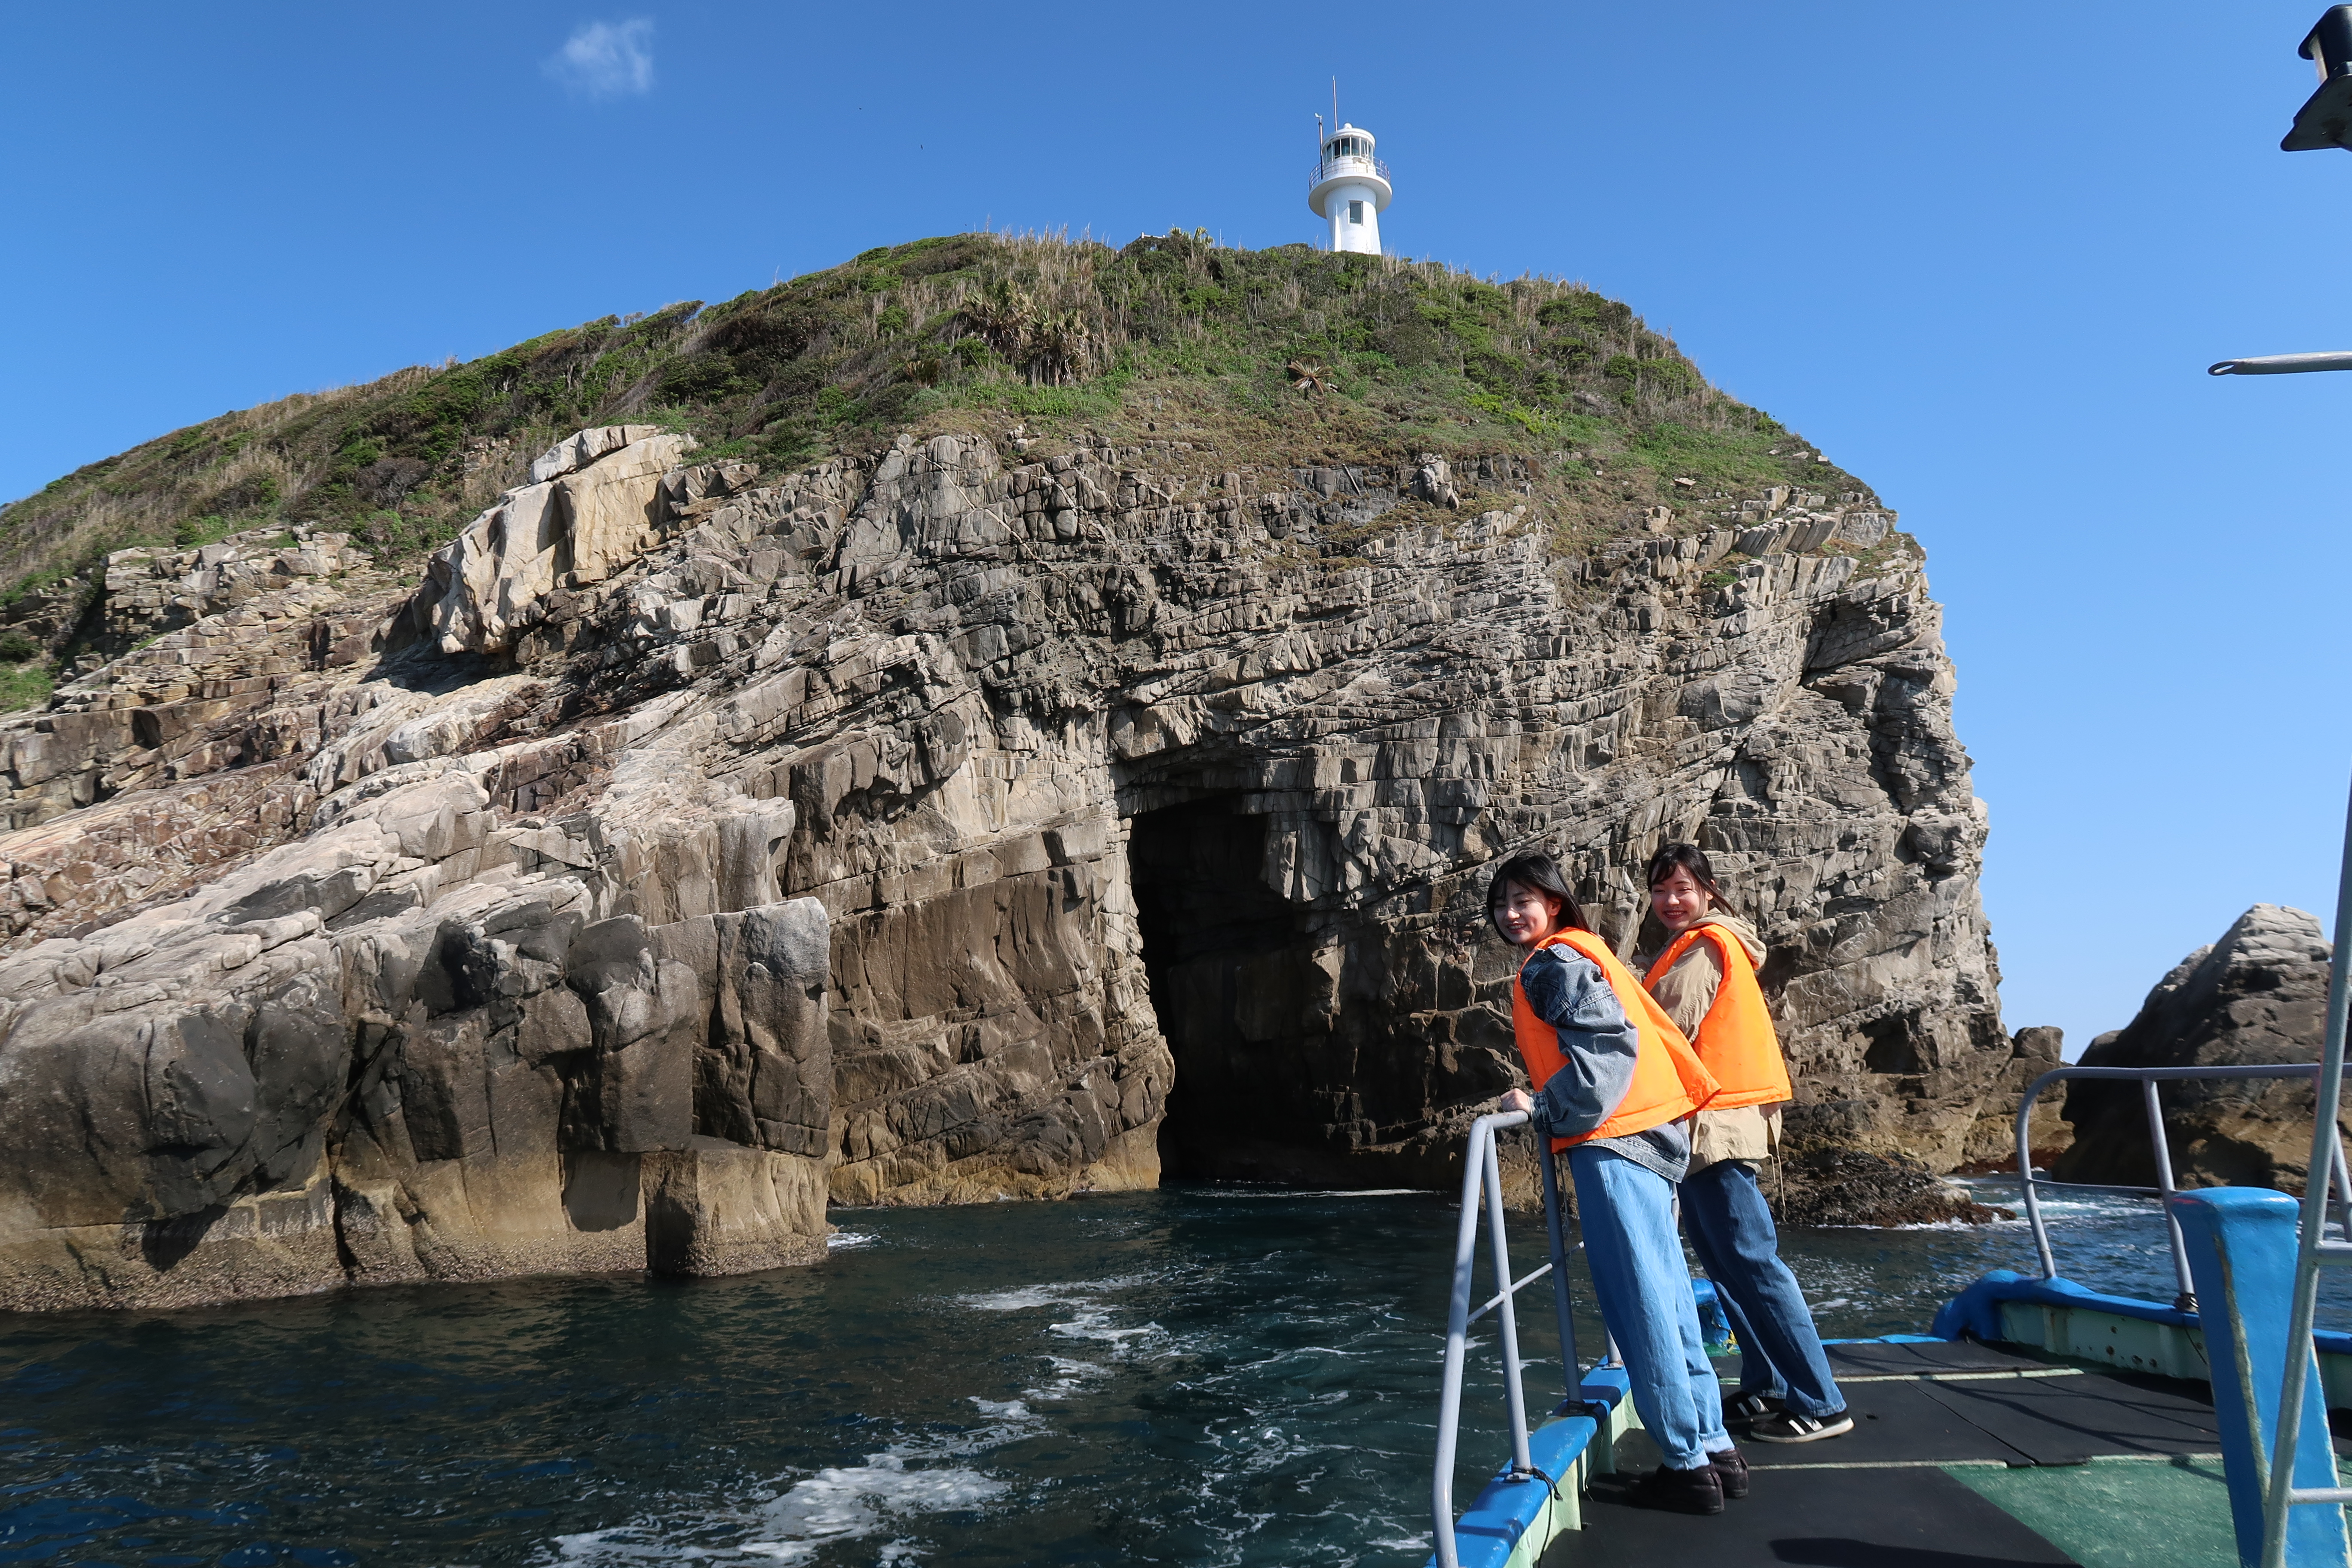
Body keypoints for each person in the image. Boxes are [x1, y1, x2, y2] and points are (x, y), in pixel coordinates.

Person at [1488, 851, 1744, 1515]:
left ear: (1555, 902)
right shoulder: (1588, 951)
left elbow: (1605, 1052)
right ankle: (1716, 1448)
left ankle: (1687, 1466)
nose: (1513, 914)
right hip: (1657, 1135)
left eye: (1525, 900)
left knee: (1643, 1306)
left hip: (1614, 1144)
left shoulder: (1554, 964)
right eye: (1502, 904)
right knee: (1672, 1300)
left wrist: (1541, 1109)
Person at [1643, 843, 1853, 1444]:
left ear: (1708, 890)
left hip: (1720, 1128)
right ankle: (1764, 1381)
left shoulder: (1707, 946)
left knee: (1753, 1264)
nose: (1670, 902)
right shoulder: (1696, 947)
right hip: (1711, 1127)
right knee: (1727, 1263)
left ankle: (1822, 1400)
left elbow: (1667, 1032)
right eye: (1660, 892)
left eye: (1682, 889)